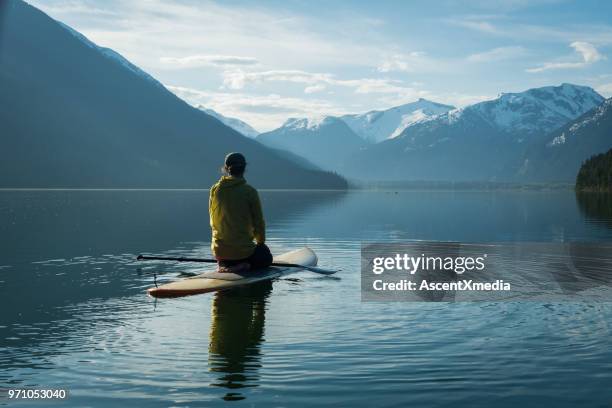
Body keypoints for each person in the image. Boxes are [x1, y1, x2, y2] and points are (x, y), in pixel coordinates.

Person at [209, 152, 273, 273]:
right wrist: (260, 243)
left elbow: (212, 219)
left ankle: (224, 265)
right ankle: (243, 266)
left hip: (219, 251)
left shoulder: (214, 189)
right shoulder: (249, 192)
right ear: (244, 168)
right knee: (265, 255)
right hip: (243, 253)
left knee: (227, 252)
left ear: (226, 168)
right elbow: (258, 223)